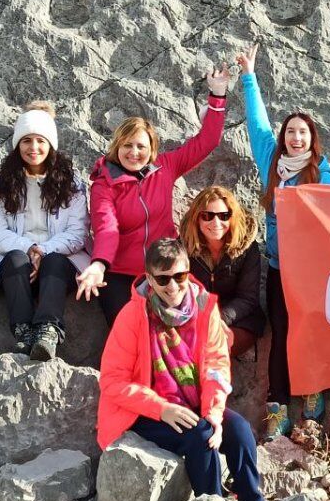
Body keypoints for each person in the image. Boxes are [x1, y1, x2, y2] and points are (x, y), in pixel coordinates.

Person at [97, 238, 264, 501]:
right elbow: (112, 381)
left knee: (240, 431)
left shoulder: (206, 309)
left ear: (188, 271)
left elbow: (216, 365)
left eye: (179, 276)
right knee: (200, 435)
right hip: (143, 412)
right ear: (150, 279)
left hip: (192, 402)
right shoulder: (131, 316)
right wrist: (161, 408)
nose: (173, 286)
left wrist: (213, 412)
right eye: (163, 280)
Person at [76, 65, 231, 327]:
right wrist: (99, 264)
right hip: (121, 273)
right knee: (129, 331)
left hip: (166, 270)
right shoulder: (104, 183)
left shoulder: (166, 167)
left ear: (152, 150)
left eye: (141, 146)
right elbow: (106, 227)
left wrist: (217, 95)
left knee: (181, 329)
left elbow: (208, 141)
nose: (134, 152)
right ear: (117, 147)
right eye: (127, 145)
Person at [235, 42, 330, 442]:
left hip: (312, 271)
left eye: (303, 132)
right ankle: (277, 407)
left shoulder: (322, 172)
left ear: (312, 140)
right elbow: (256, 124)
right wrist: (249, 76)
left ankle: (312, 393)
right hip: (278, 266)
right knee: (280, 331)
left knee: (309, 330)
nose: (296, 138)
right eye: (291, 132)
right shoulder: (271, 163)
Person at [0, 102, 90, 362]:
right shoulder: (4, 185)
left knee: (53, 261)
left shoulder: (71, 185)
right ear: (18, 144)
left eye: (40, 140)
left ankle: (48, 330)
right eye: (26, 140)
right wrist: (29, 248)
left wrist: (43, 250)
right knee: (15, 259)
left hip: (59, 258)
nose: (34, 148)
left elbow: (78, 233)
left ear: (50, 144)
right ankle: (24, 332)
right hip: (18, 260)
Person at [178, 185, 265, 360]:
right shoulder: (183, 246)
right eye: (207, 216)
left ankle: (212, 387)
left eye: (224, 216)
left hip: (238, 318)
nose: (216, 223)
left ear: (232, 217)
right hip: (195, 315)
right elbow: (179, 290)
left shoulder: (247, 248)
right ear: (197, 218)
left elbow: (247, 298)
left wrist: (217, 319)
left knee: (216, 347)